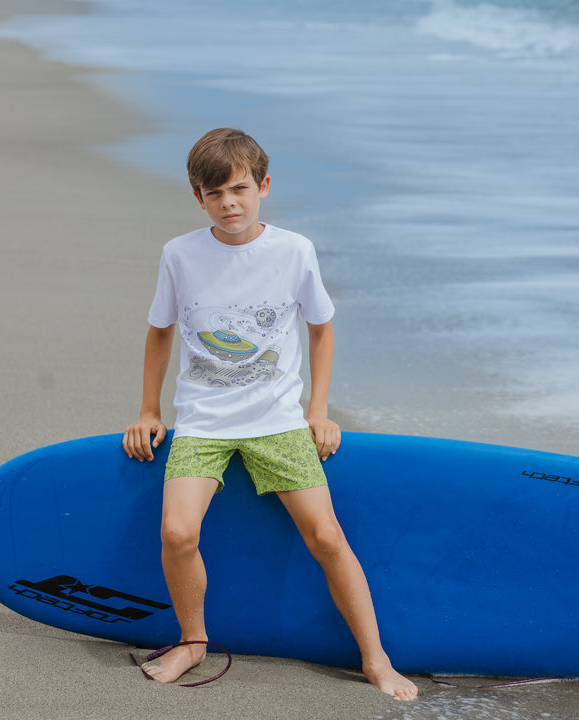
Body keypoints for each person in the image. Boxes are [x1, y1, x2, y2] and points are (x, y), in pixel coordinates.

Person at [121, 128, 417, 701]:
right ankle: (193, 642)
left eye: (239, 188)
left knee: (327, 536)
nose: (228, 202)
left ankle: (376, 659)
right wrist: (149, 408)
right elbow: (160, 333)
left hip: (277, 421)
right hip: (204, 420)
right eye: (214, 193)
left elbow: (321, 329)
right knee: (177, 531)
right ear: (197, 197)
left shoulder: (293, 251)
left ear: (263, 185)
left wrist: (318, 409)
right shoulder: (180, 254)